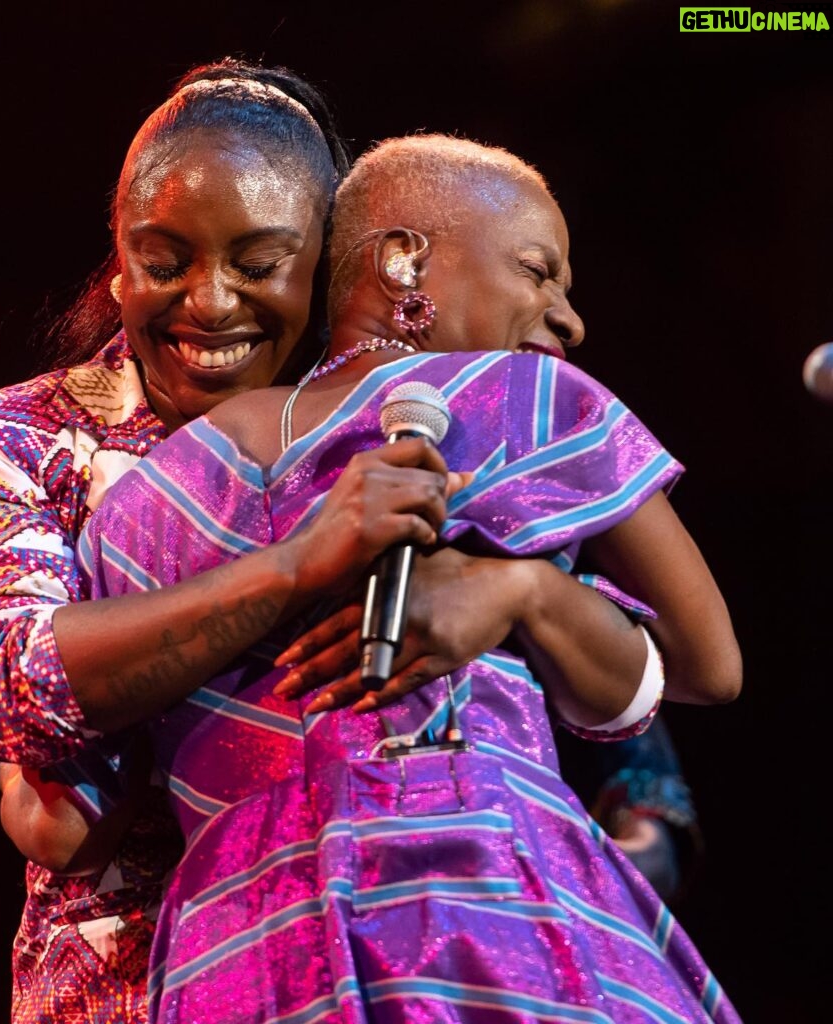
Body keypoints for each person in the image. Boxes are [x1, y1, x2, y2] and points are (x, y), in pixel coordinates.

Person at [76, 133, 742, 1022]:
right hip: (468, 888)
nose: (567, 318)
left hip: (237, 946)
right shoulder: (521, 397)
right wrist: (529, 593)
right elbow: (710, 663)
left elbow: (71, 807)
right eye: (539, 271)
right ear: (402, 258)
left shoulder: (140, 502)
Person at [0, 57, 354, 1024]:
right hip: (124, 994)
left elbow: (617, 685)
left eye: (258, 262)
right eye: (166, 262)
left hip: (360, 966)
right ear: (117, 259)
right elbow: (7, 678)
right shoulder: (12, 443)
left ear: (324, 264)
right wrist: (289, 575)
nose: (210, 301)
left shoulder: (386, 435)